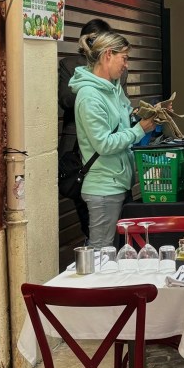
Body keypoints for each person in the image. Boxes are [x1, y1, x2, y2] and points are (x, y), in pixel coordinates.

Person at [70, 30, 155, 249]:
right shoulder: (89, 96)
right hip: (104, 188)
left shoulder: (114, 89)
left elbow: (123, 125)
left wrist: (145, 116)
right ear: (108, 54)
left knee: (115, 250)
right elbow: (104, 143)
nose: (126, 65)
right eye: (124, 58)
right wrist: (139, 130)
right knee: (102, 252)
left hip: (119, 183)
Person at [58, 18, 116, 237]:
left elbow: (120, 103)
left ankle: (98, 244)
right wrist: (93, 86)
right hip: (76, 147)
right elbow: (65, 99)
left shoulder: (116, 66)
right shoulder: (70, 65)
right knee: (85, 206)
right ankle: (93, 243)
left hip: (107, 146)